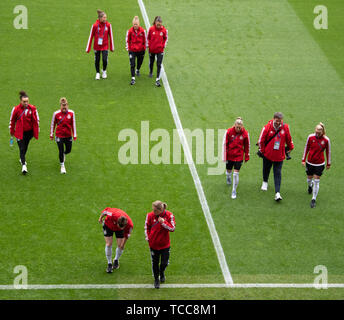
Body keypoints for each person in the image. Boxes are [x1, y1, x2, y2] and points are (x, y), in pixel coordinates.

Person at [257, 112, 294, 201]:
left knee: (277, 173)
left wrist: (291, 147)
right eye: (277, 121)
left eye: (280, 121)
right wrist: (262, 151)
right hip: (268, 154)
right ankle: (265, 182)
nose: (278, 123)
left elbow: (289, 139)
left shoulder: (285, 128)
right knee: (266, 169)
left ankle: (277, 193)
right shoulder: (267, 128)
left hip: (279, 156)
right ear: (273, 119)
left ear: (282, 120)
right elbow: (261, 141)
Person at [145, 201, 175, 289]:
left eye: (155, 210)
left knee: (164, 263)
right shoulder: (150, 215)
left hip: (165, 245)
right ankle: (156, 279)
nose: (153, 212)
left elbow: (172, 228)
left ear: (160, 210)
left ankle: (161, 272)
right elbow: (147, 227)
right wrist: (148, 238)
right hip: (153, 245)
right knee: (155, 263)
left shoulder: (169, 215)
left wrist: (163, 222)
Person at [9, 91, 40, 175]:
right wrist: (11, 131)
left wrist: (37, 129)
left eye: (27, 101)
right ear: (20, 101)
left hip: (29, 132)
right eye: (24, 101)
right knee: (22, 148)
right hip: (19, 132)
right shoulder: (15, 109)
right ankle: (24, 166)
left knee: (25, 146)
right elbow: (12, 121)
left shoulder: (32, 108)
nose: (26, 103)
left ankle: (21, 158)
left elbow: (37, 120)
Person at [301, 123, 331, 208]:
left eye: (319, 131)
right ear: (315, 130)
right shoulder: (310, 137)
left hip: (320, 164)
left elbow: (328, 151)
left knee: (317, 180)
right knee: (309, 179)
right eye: (317, 131)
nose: (318, 132)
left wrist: (328, 163)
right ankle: (310, 185)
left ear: (322, 131)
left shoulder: (326, 140)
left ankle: (313, 199)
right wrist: (303, 159)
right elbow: (306, 147)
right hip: (310, 162)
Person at [98, 207, 133, 273]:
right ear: (117, 222)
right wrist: (100, 218)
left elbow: (127, 235)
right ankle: (109, 263)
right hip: (108, 225)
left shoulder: (130, 225)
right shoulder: (113, 214)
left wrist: (123, 244)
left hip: (119, 231)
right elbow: (105, 211)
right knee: (109, 244)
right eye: (119, 226)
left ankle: (116, 260)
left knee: (120, 245)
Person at [222, 117, 250, 199]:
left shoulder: (245, 133)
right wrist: (224, 155)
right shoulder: (228, 132)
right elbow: (224, 144)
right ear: (234, 125)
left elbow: (247, 145)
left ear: (242, 126)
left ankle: (234, 190)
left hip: (239, 156)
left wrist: (247, 156)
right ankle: (228, 177)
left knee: (236, 173)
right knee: (228, 171)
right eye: (237, 127)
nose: (238, 129)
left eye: (240, 127)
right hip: (230, 155)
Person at [50, 97, 77, 174]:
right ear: (60, 105)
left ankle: (65, 154)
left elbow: (73, 124)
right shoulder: (56, 114)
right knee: (60, 150)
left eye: (65, 105)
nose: (64, 107)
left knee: (68, 150)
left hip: (68, 135)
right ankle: (62, 166)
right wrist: (51, 134)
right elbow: (53, 124)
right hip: (59, 135)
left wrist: (74, 134)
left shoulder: (72, 113)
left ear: (67, 105)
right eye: (63, 105)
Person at [86, 9, 114, 80]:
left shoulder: (108, 25)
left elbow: (111, 36)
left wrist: (111, 47)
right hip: (97, 46)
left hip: (105, 46)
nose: (105, 19)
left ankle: (104, 71)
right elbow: (91, 36)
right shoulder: (95, 26)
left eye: (106, 17)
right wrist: (88, 48)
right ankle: (97, 73)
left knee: (105, 59)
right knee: (97, 60)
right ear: (100, 18)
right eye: (104, 17)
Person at [147, 16, 168, 87]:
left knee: (159, 64)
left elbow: (166, 38)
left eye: (160, 24)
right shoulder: (151, 29)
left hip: (160, 50)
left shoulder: (164, 30)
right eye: (157, 24)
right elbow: (148, 38)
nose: (159, 26)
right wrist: (149, 45)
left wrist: (163, 46)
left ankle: (157, 79)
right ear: (155, 23)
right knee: (151, 62)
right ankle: (151, 72)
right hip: (152, 49)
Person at [126, 16, 147, 85]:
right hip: (132, 50)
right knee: (132, 64)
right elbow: (127, 40)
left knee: (140, 62)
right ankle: (133, 78)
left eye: (136, 24)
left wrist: (144, 48)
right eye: (134, 24)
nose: (135, 25)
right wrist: (128, 49)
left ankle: (137, 69)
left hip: (141, 50)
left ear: (139, 24)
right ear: (132, 24)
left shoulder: (143, 31)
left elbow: (145, 40)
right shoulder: (129, 31)